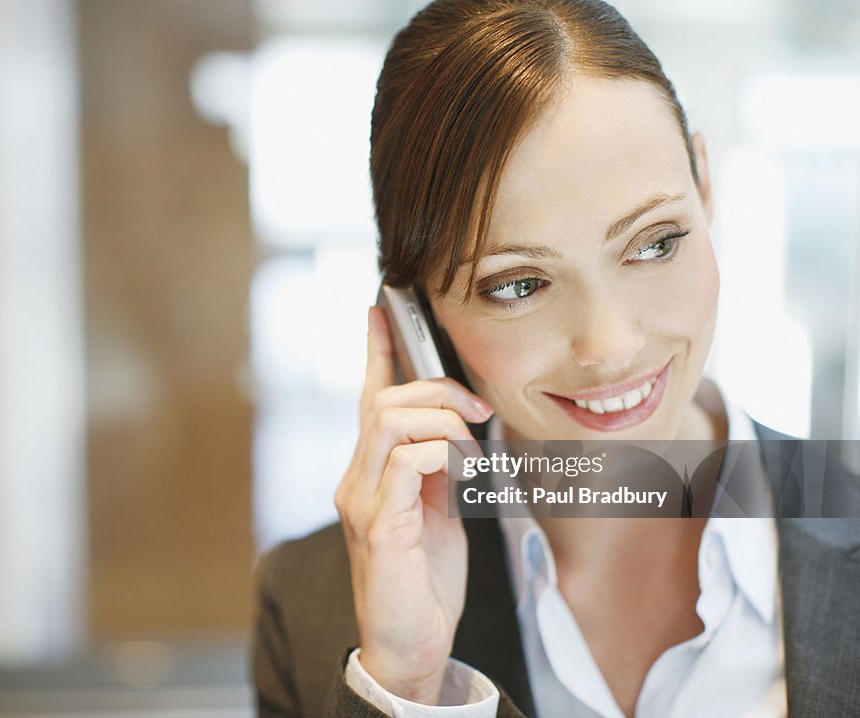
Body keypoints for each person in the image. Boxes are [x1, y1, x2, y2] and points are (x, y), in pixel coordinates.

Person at [251, 1, 860, 716]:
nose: (611, 347)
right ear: (417, 317)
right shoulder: (316, 606)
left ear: (704, 184)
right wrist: (410, 688)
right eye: (518, 286)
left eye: (654, 242)